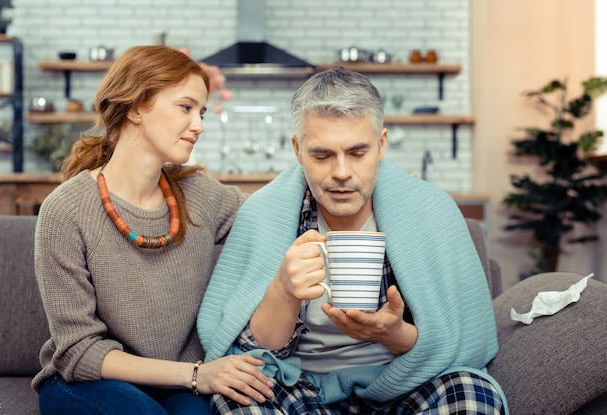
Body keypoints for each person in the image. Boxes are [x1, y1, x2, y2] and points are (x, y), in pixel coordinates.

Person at [198, 67, 508, 414]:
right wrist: (283, 290)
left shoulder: (432, 211)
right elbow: (252, 355)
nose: (341, 172)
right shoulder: (263, 214)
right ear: (298, 150)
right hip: (301, 386)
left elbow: (461, 345)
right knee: (238, 396)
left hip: (403, 383)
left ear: (382, 144)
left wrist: (393, 334)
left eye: (358, 153)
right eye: (322, 155)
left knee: (471, 391)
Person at [32, 45, 274, 415]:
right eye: (185, 107)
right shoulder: (65, 210)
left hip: (175, 380)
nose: (199, 125)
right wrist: (197, 375)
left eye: (202, 112)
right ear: (135, 107)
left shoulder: (200, 194)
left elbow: (272, 215)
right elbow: (79, 350)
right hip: (87, 383)